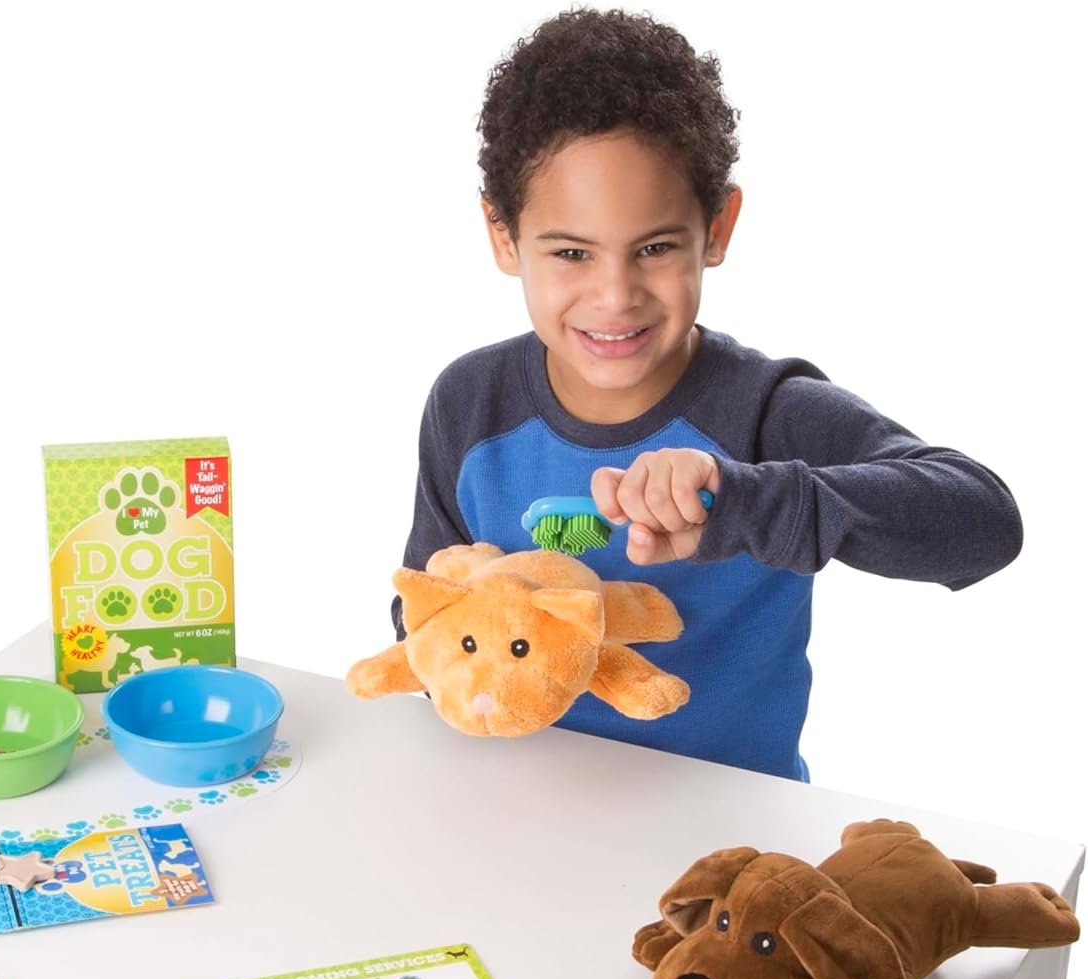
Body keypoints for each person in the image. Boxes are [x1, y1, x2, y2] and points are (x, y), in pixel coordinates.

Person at [396, 7, 1021, 780]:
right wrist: (475, 610)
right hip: (511, 803)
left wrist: (743, 501)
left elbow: (984, 521)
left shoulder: (764, 412)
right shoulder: (469, 403)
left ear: (717, 228)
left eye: (655, 247)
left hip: (732, 834)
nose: (615, 295)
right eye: (572, 253)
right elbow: (417, 621)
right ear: (503, 236)